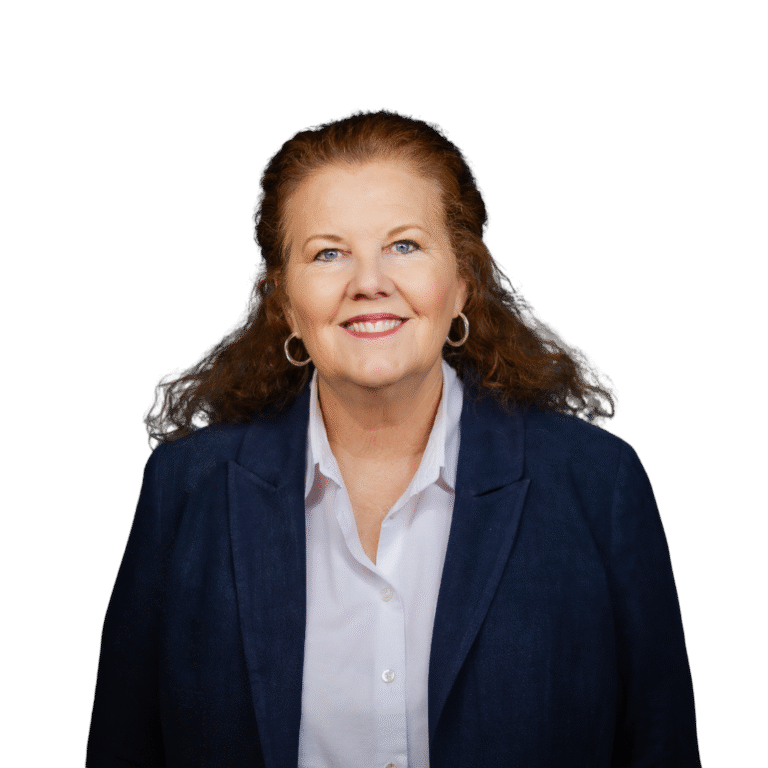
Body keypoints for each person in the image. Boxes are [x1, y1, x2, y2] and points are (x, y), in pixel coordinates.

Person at [87, 111, 700, 767]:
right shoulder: (185, 490)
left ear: (462, 284)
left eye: (404, 245)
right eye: (328, 253)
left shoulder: (598, 484)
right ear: (288, 305)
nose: (369, 282)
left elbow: (658, 744)